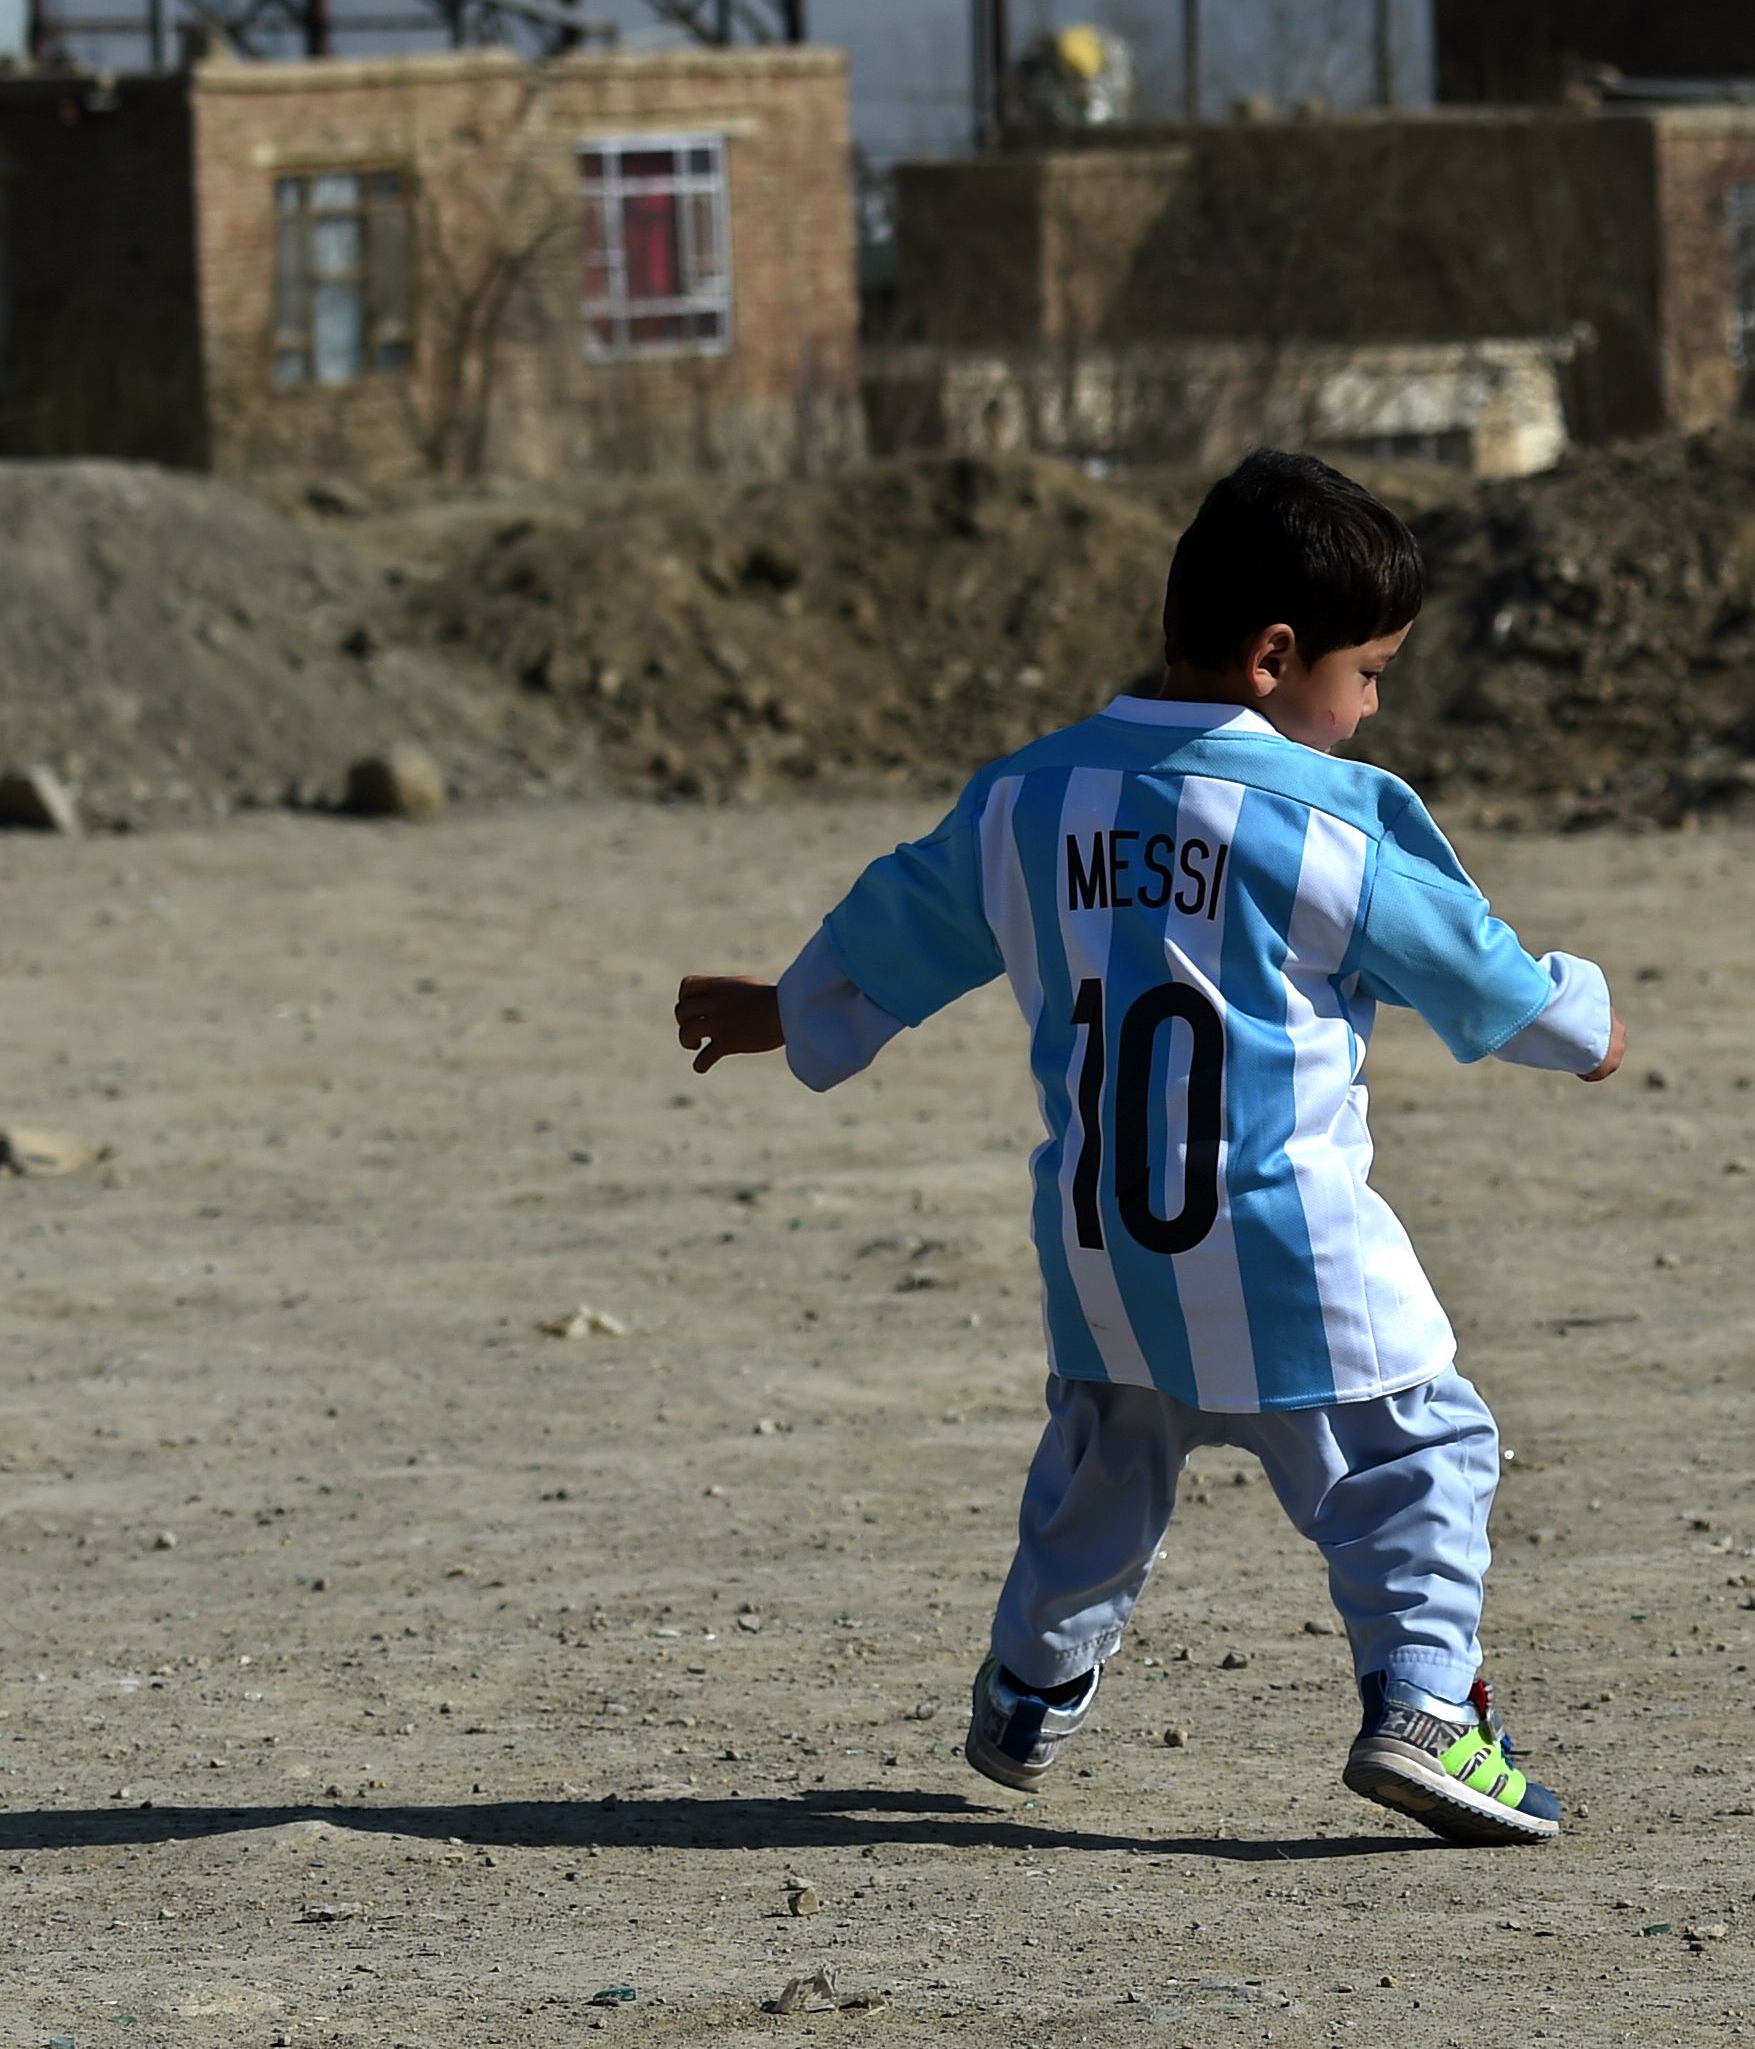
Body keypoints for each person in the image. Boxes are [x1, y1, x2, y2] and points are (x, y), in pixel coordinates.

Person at [671, 450, 1619, 1844]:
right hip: (1284, 1239)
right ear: (1273, 655)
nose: (1368, 709)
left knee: (1104, 1464)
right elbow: (1471, 968)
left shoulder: (1027, 796)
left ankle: (1029, 1687)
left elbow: (902, 923)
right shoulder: (1327, 819)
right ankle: (1423, 1706)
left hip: (1107, 1246)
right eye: (1368, 673)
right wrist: (1572, 1014)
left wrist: (784, 1009)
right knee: (1419, 1455)